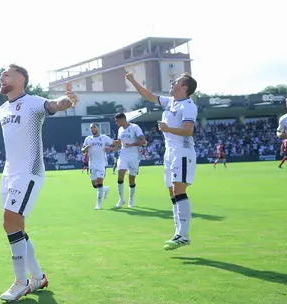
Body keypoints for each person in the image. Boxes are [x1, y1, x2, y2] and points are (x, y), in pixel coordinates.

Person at [0, 65, 78, 301]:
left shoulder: (34, 102)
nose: (1, 77)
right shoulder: (3, 108)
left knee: (9, 221)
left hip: (29, 172)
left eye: (6, 74)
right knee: (16, 226)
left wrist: (67, 100)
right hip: (8, 173)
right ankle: (38, 277)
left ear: (20, 79)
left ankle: (20, 282)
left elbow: (55, 104)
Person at [126, 71, 199, 250]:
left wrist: (167, 128)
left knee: (179, 191)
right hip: (170, 152)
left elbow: (189, 130)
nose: (172, 82)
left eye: (177, 81)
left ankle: (184, 234)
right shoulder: (171, 101)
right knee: (172, 193)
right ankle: (178, 232)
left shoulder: (188, 106)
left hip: (182, 151)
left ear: (184, 88)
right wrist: (132, 80)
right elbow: (149, 96)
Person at [111, 112, 145, 208]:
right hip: (123, 154)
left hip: (134, 155)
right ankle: (121, 199)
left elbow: (143, 141)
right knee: (120, 174)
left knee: (131, 179)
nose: (116, 123)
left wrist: (132, 144)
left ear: (122, 120)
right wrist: (109, 144)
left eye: (117, 121)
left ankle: (131, 199)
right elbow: (119, 143)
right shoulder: (120, 130)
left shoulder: (135, 127)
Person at [81, 123, 115, 210]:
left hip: (101, 164)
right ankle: (106, 189)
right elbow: (82, 150)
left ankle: (98, 204)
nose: (92, 129)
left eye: (94, 127)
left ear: (98, 128)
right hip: (92, 164)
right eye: (91, 128)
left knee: (99, 183)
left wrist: (110, 149)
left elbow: (113, 144)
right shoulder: (88, 139)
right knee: (94, 185)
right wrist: (85, 148)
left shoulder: (104, 137)